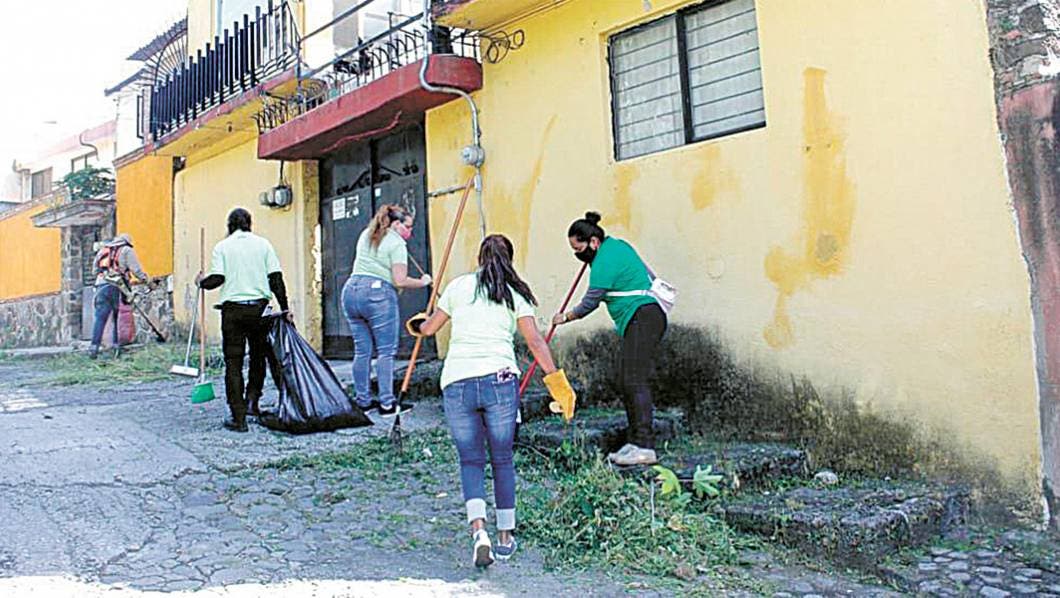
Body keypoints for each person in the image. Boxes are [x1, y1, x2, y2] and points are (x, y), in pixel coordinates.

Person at [407, 234, 576, 568]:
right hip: (500, 380)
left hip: (457, 382)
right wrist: (557, 382)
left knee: (470, 461)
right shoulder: (515, 295)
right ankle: (505, 536)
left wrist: (418, 324)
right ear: (509, 260)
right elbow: (535, 343)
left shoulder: (457, 287)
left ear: (479, 257)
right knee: (502, 460)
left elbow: (428, 329)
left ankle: (478, 531)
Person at [551, 212, 667, 466]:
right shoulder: (618, 246)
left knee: (633, 379)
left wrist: (565, 317)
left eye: (579, 249)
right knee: (627, 378)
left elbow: (590, 302)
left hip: (643, 317)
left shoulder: (602, 263)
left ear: (593, 242)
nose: (578, 255)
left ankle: (645, 447)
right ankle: (636, 441)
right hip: (647, 316)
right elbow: (647, 273)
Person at [197, 208, 291, 433]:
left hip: (233, 313)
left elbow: (217, 279)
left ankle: (238, 417)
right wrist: (285, 307)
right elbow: (276, 278)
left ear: (229, 224)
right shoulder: (263, 244)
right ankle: (252, 402)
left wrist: (201, 281)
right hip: (260, 309)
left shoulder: (222, 246)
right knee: (259, 358)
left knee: (234, 362)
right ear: (250, 223)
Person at [342, 204, 431, 417]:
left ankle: (363, 401)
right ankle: (387, 404)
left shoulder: (367, 234)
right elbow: (399, 280)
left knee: (362, 351)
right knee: (386, 351)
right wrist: (423, 282)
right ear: (397, 224)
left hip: (351, 291)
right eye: (408, 227)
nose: (410, 232)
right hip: (377, 295)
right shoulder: (396, 243)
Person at [89, 233, 153, 359]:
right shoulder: (126, 250)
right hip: (117, 286)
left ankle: (93, 347)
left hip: (101, 286)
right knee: (117, 317)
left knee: (100, 318)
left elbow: (94, 270)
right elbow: (136, 270)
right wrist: (148, 281)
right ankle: (116, 347)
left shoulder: (104, 250)